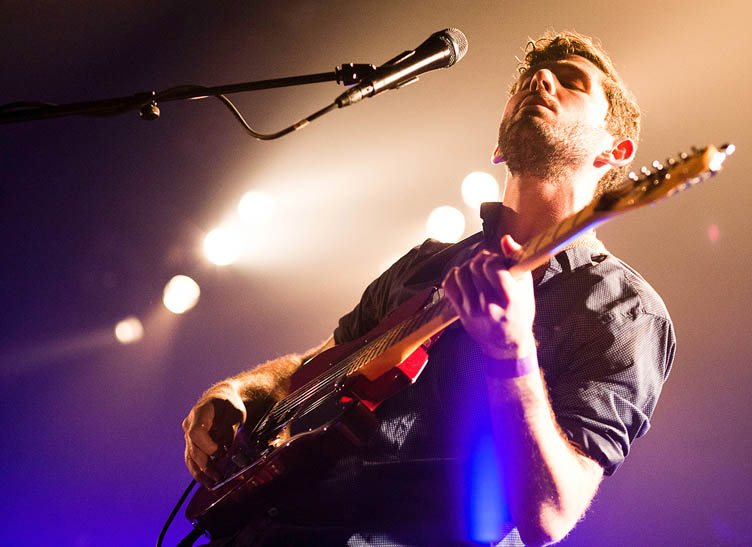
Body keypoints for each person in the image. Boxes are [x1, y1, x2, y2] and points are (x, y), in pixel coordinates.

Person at [182, 31, 675, 546]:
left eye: (572, 82)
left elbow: (549, 514)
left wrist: (513, 353)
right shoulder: (428, 261)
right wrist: (236, 392)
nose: (541, 80)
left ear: (617, 150)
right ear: (498, 148)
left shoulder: (624, 311)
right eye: (529, 79)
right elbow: (317, 366)